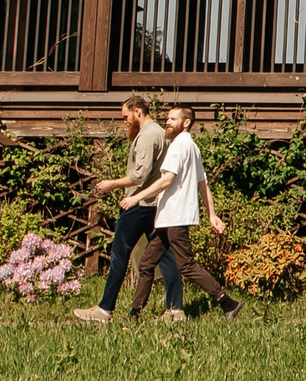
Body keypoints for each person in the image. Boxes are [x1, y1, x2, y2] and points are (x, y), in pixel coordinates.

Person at [122, 105, 240, 322]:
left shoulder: (178, 146)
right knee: (147, 264)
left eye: (173, 119)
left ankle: (227, 302)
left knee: (185, 264)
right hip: (169, 218)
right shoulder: (192, 146)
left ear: (186, 123)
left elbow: (167, 180)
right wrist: (211, 215)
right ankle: (134, 314)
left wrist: (136, 197)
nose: (167, 122)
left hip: (175, 216)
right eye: (167, 118)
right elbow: (203, 184)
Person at [73, 94, 180, 324]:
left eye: (126, 116)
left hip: (137, 204)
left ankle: (104, 309)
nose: (125, 121)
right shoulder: (162, 134)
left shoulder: (146, 136)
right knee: (166, 256)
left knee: (119, 255)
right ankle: (175, 308)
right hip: (154, 204)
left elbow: (139, 175)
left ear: (137, 111)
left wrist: (112, 184)